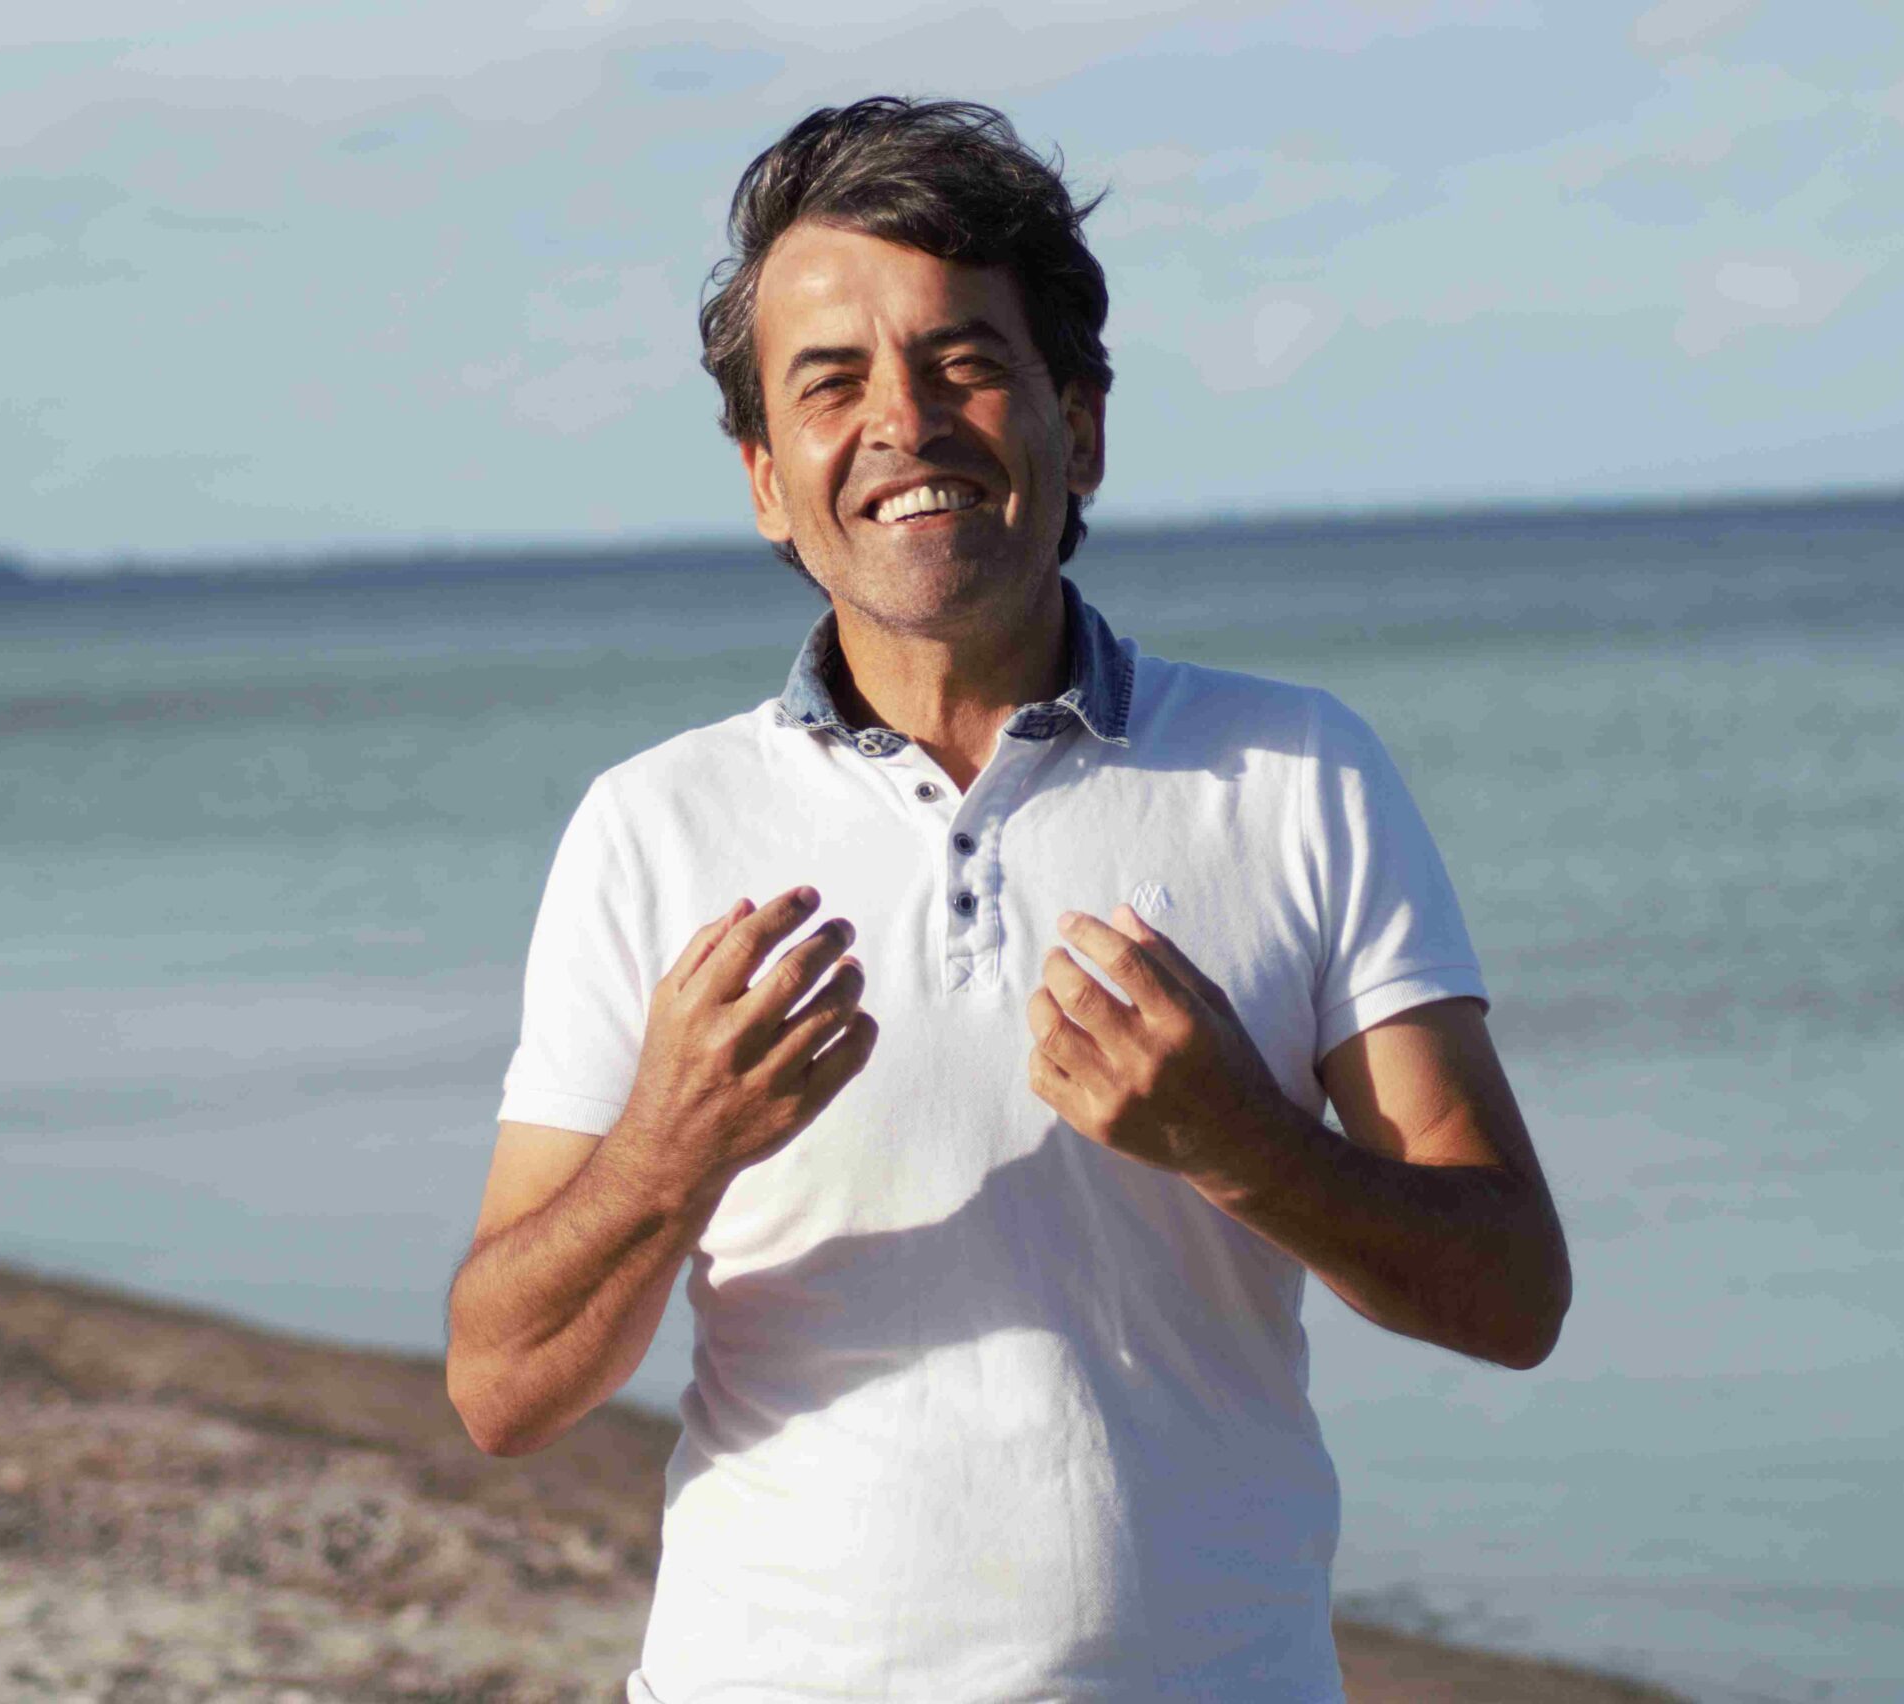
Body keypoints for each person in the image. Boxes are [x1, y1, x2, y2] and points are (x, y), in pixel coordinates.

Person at [444, 96, 1570, 1703]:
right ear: (768, 481)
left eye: (964, 358)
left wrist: (1244, 1149)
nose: (904, 422)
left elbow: (1513, 1293)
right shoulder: (655, 826)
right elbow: (501, 1390)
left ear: (1080, 424)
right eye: (829, 384)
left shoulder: (1296, 770)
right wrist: (673, 1146)